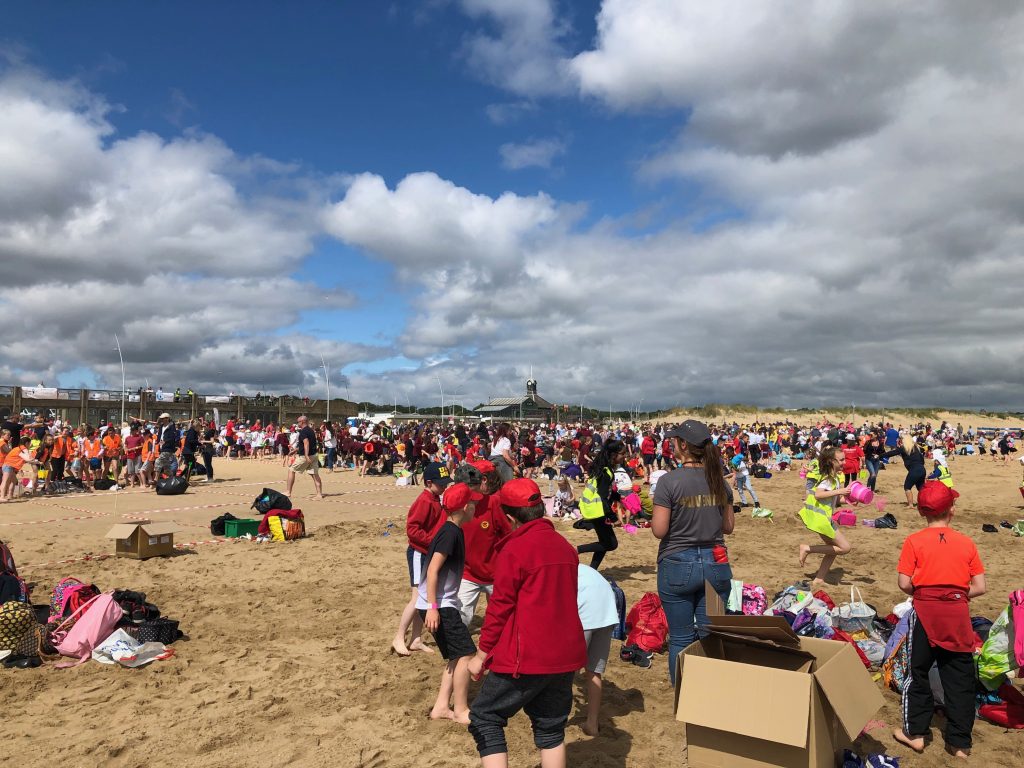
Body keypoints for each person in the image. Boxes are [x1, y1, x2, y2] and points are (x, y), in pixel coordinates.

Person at [467, 478, 587, 768]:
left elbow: (499, 608)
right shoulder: (565, 546)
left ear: (509, 518)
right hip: (565, 653)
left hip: (528, 656)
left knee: (485, 716)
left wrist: (482, 654)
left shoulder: (515, 549)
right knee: (550, 727)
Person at [893, 481, 985, 759]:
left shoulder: (914, 541)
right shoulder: (966, 542)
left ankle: (916, 734)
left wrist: (927, 590)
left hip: (925, 611)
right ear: (952, 510)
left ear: (922, 513)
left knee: (917, 673)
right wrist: (953, 592)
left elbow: (904, 583)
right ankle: (959, 744)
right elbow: (980, 586)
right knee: (959, 677)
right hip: (956, 613)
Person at [651, 420, 735, 683]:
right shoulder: (719, 481)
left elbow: (659, 530)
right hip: (715, 561)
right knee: (711, 634)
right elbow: (728, 526)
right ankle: (711, 691)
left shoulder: (669, 482)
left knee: (681, 637)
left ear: (683, 445)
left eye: (674, 440)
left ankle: (683, 695)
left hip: (678, 562)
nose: (672, 444)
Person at [419, 482, 483, 724]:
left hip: (439, 603)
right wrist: (433, 608)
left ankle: (441, 707)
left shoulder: (451, 530)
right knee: (467, 654)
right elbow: (433, 570)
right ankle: (460, 709)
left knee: (456, 656)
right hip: (439, 605)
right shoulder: (450, 533)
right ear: (465, 507)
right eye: (474, 504)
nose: (476, 508)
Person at [393, 461, 452, 656]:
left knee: (424, 597)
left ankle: (416, 638)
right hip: (419, 553)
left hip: (428, 551)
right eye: (441, 483)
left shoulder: (436, 498)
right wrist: (433, 543)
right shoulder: (425, 501)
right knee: (417, 597)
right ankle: (399, 637)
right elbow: (412, 530)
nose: (444, 487)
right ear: (428, 483)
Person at [457, 462, 511, 628]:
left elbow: (507, 536)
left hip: (494, 573)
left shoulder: (494, 503)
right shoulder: (459, 502)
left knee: (501, 618)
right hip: (468, 572)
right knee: (461, 618)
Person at [797, 447, 852, 586]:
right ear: (832, 461)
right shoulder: (828, 479)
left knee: (833, 549)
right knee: (845, 548)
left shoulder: (834, 478)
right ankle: (807, 548)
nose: (844, 462)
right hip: (821, 520)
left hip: (822, 519)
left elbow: (835, 500)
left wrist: (850, 501)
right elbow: (818, 494)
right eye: (841, 460)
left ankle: (819, 578)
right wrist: (840, 490)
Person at [576, 564, 618, 737]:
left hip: (585, 613)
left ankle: (556, 722)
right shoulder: (584, 569)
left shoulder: (554, 569)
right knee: (594, 671)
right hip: (606, 612)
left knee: (564, 673)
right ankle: (592, 723)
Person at [576, 439, 624, 569]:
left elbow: (604, 491)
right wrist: (613, 517)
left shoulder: (604, 469)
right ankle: (576, 550)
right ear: (614, 455)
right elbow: (602, 496)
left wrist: (617, 497)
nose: (624, 456)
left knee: (605, 542)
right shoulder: (606, 472)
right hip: (598, 511)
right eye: (622, 453)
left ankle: (593, 570)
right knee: (611, 544)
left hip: (597, 510)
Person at [286, 415, 324, 499]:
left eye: (298, 422)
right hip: (314, 455)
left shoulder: (303, 431)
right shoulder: (311, 431)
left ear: (302, 422)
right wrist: (295, 450)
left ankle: (288, 492)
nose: (297, 423)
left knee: (291, 470)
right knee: (315, 475)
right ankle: (319, 494)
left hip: (305, 456)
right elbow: (305, 444)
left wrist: (306, 455)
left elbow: (306, 443)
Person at [886, 435, 927, 507]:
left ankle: (911, 504)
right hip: (922, 469)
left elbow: (892, 453)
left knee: (907, 487)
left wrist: (880, 456)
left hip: (914, 470)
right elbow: (922, 460)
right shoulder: (916, 448)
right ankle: (926, 503)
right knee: (920, 488)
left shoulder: (903, 448)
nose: (901, 441)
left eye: (902, 440)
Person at [154, 413, 179, 480]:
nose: (162, 419)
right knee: (166, 468)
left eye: (163, 418)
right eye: (161, 418)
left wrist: (165, 441)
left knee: (158, 461)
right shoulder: (161, 426)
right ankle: (172, 478)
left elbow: (172, 437)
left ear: (167, 418)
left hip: (168, 448)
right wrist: (158, 442)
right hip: (161, 448)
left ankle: (156, 479)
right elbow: (159, 436)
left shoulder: (171, 427)